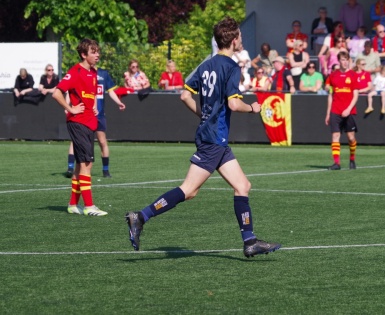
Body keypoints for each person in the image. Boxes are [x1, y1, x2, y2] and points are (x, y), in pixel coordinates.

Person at [125, 17, 281, 258]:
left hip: (214, 137)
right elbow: (233, 104)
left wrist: (204, 114)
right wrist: (253, 108)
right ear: (233, 39)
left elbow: (184, 96)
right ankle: (141, 217)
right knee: (188, 190)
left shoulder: (206, 65)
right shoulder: (230, 67)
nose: (241, 39)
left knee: (242, 185)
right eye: (239, 35)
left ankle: (250, 241)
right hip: (214, 138)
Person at [51, 38, 108, 216]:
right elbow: (56, 93)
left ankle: (73, 205)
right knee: (87, 163)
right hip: (78, 122)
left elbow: (86, 94)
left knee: (79, 164)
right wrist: (70, 109)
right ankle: (89, 207)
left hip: (88, 121)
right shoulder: (75, 71)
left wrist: (92, 106)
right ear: (84, 54)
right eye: (93, 52)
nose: (97, 54)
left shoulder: (93, 73)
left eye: (98, 51)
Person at [66, 68, 127, 178]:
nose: (96, 56)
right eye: (93, 52)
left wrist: (119, 102)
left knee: (102, 141)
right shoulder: (80, 72)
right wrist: (68, 106)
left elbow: (110, 91)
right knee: (76, 141)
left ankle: (106, 170)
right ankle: (70, 168)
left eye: (96, 53)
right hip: (83, 114)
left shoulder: (103, 73)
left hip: (99, 114)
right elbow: (70, 90)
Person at [324, 51, 359, 171]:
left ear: (349, 60)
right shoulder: (332, 76)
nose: (344, 62)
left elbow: (355, 95)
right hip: (335, 110)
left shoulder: (354, 75)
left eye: (346, 59)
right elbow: (330, 95)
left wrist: (348, 109)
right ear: (339, 61)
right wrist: (328, 113)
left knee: (350, 138)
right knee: (335, 136)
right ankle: (336, 163)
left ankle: (352, 158)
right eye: (342, 60)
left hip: (349, 111)